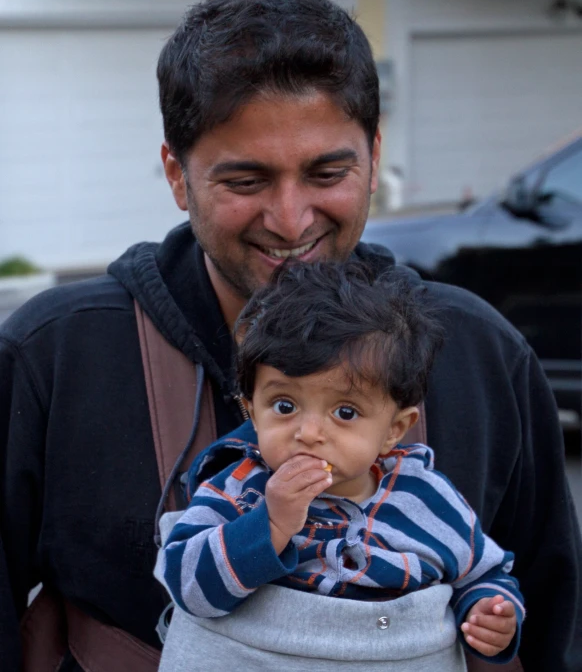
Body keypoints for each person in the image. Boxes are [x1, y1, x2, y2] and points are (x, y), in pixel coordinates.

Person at [0, 0, 579, 672]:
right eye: (245, 182)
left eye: (327, 171)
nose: (291, 218)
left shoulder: (483, 354)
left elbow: (553, 623)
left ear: (372, 158)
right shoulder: (53, 357)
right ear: (177, 176)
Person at [156, 260, 525, 670]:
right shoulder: (237, 491)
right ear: (252, 411)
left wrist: (490, 613)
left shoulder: (427, 499)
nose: (309, 432)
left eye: (345, 412)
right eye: (284, 405)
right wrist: (270, 526)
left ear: (394, 429)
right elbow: (187, 587)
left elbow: (483, 573)